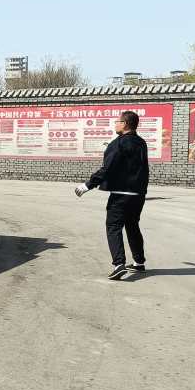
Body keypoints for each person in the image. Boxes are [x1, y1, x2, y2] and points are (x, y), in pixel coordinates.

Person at [74, 110, 149, 280]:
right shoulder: (141, 143)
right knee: (132, 226)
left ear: (125, 124)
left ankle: (119, 264)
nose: (115, 124)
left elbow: (107, 168)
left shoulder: (118, 143)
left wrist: (88, 185)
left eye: (117, 121)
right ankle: (139, 262)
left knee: (113, 227)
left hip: (120, 194)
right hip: (138, 194)